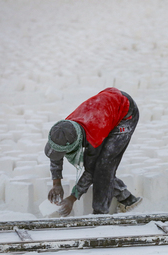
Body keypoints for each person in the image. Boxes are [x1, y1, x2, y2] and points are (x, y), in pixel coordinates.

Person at [44, 87, 142, 216]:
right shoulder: (63, 128)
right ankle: (128, 199)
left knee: (103, 167)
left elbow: (91, 171)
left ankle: (100, 214)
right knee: (99, 165)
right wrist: (56, 183)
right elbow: (55, 150)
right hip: (105, 106)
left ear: (75, 145)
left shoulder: (93, 139)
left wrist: (72, 198)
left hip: (125, 112)